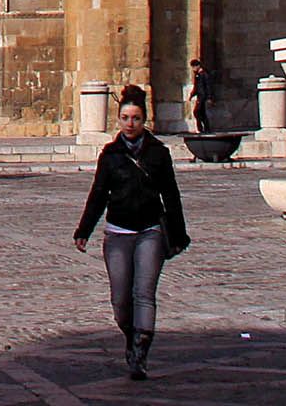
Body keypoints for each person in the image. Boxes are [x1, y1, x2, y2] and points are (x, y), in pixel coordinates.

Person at [73, 85, 189, 381]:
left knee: (144, 294)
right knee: (120, 299)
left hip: (150, 232)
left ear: (144, 119)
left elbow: (171, 195)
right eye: (125, 117)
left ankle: (140, 348)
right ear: (119, 119)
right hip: (117, 234)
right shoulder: (110, 155)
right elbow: (98, 194)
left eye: (135, 118)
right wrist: (84, 230)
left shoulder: (158, 154)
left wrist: (177, 234)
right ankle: (130, 334)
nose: (130, 123)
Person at [185, 59, 212, 134]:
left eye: (194, 67)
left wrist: (209, 97)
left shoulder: (204, 74)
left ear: (197, 66)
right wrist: (192, 95)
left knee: (196, 112)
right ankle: (206, 129)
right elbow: (196, 87)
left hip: (202, 96)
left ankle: (200, 128)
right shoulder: (198, 75)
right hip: (199, 95)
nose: (193, 69)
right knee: (202, 113)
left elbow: (208, 86)